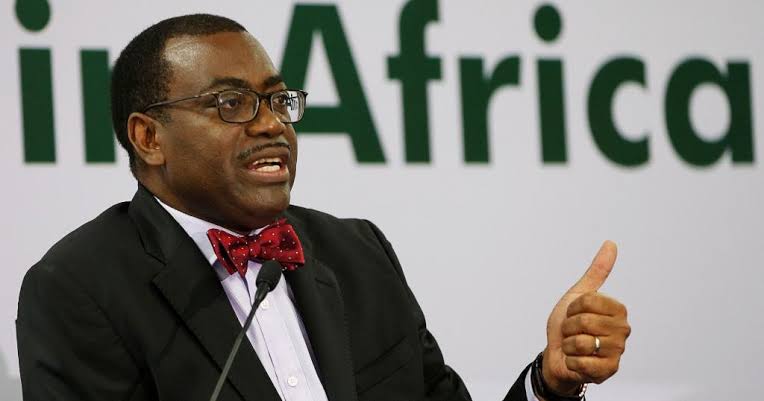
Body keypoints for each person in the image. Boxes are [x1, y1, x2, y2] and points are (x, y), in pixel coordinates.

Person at [16, 14, 630, 401]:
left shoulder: (357, 253)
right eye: (231, 103)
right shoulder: (78, 288)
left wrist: (549, 384)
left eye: (278, 101)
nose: (271, 126)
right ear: (149, 138)